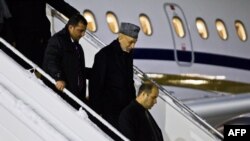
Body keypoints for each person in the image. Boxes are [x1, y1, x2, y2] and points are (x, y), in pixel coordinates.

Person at [89, 22, 140, 129]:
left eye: (135, 43)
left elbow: (130, 83)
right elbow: (96, 86)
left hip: (124, 113)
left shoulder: (128, 55)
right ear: (120, 36)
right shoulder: (104, 55)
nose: (133, 46)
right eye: (131, 42)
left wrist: (134, 108)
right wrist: (96, 112)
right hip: (108, 112)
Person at [5, 0, 79, 68]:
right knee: (25, 66)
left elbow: (57, 3)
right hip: (21, 36)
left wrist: (76, 15)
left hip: (40, 35)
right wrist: (10, 37)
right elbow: (6, 13)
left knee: (47, 65)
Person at [43, 14, 89, 109]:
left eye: (84, 31)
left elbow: (79, 69)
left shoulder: (78, 47)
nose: (83, 34)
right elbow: (51, 59)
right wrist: (58, 78)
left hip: (75, 95)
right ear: (71, 27)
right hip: (63, 93)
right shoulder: (57, 40)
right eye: (80, 31)